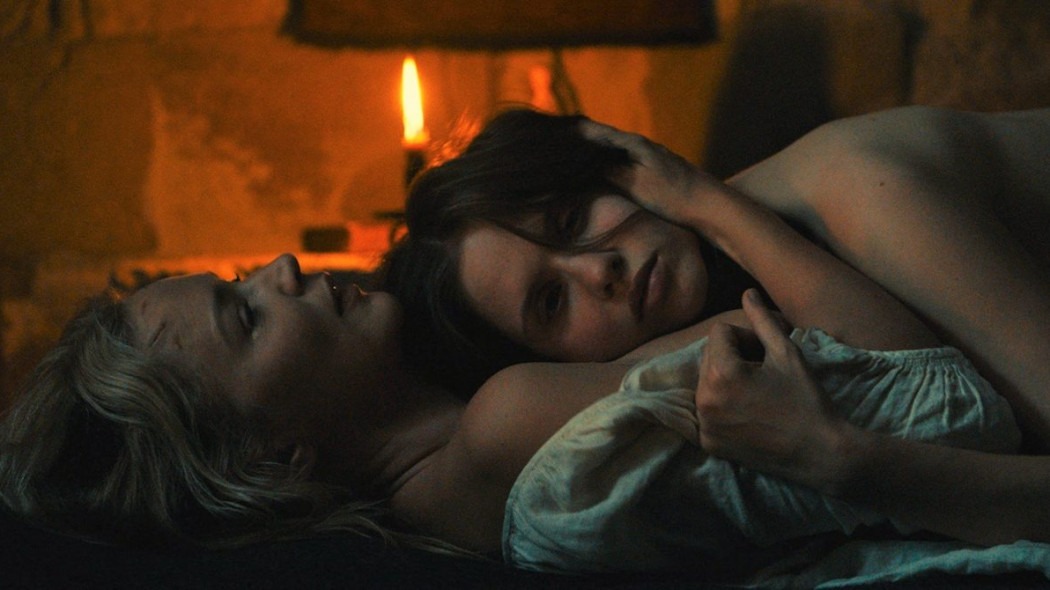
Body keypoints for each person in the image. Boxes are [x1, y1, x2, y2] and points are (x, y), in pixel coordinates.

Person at [0, 124, 1032, 580]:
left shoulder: (472, 455)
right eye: (245, 315)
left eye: (238, 278)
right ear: (274, 457)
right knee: (842, 175)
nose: (279, 265)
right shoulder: (503, 428)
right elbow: (912, 376)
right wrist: (699, 197)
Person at [384, 105, 1050, 547]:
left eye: (570, 220)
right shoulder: (731, 313)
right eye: (552, 302)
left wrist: (845, 464)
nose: (598, 270)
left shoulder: (856, 192)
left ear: (620, 169)